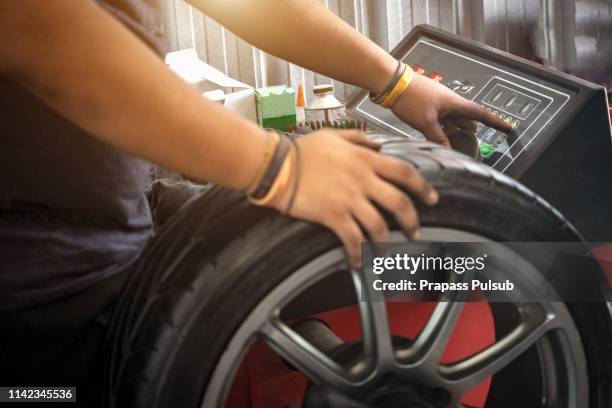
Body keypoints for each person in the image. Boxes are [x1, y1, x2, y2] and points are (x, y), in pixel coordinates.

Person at [0, 0, 510, 405]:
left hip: (110, 217)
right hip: (37, 294)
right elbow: (36, 27)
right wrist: (280, 168)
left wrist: (396, 81)